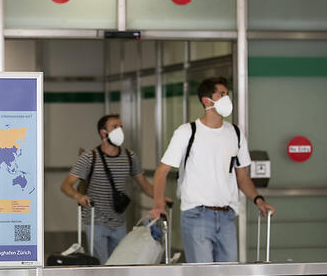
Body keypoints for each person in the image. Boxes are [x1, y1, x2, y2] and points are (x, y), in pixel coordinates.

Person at [148, 76, 276, 263]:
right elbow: (162, 171)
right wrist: (158, 204)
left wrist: (259, 200)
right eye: (222, 94)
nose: (227, 98)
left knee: (229, 272)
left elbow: (242, 177)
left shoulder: (236, 133)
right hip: (197, 214)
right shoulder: (187, 132)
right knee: (203, 272)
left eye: (227, 94)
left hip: (227, 216)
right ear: (206, 100)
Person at [61, 114, 164, 264]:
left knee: (120, 262)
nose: (120, 130)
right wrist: (79, 197)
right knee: (102, 264)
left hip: (119, 221)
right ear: (103, 132)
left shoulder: (129, 156)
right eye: (114, 127)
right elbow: (66, 185)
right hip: (95, 219)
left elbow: (144, 184)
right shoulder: (90, 157)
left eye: (121, 127)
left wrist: (160, 198)